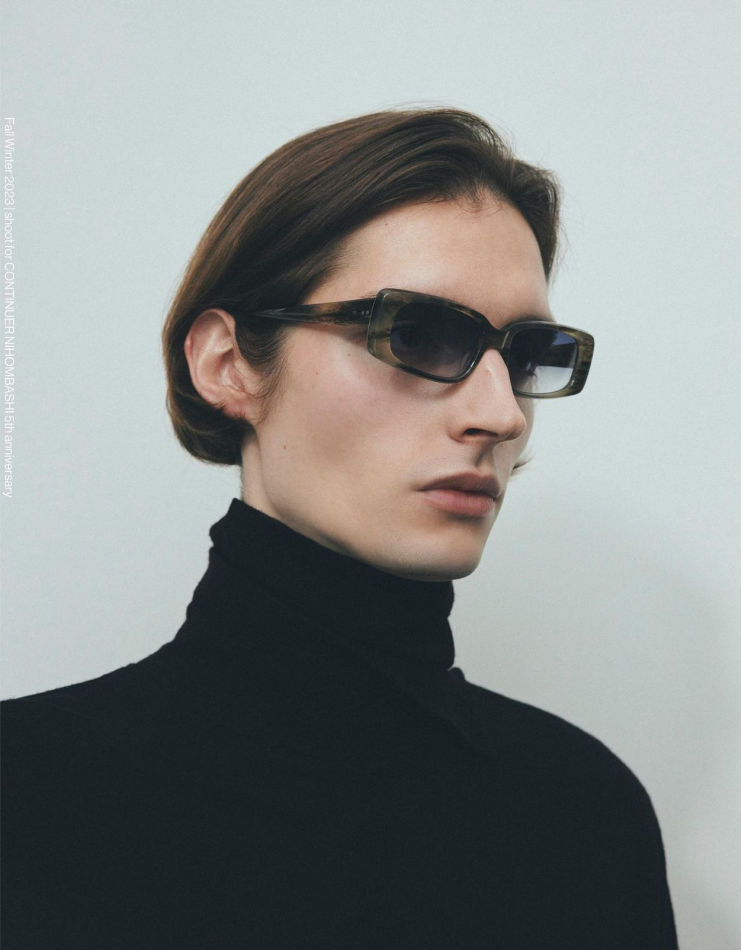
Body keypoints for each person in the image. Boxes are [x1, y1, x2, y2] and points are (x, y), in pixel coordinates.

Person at [1, 108, 678, 948]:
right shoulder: (26, 796)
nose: (502, 414)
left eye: (527, 353)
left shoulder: (584, 816)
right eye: (418, 334)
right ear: (228, 364)